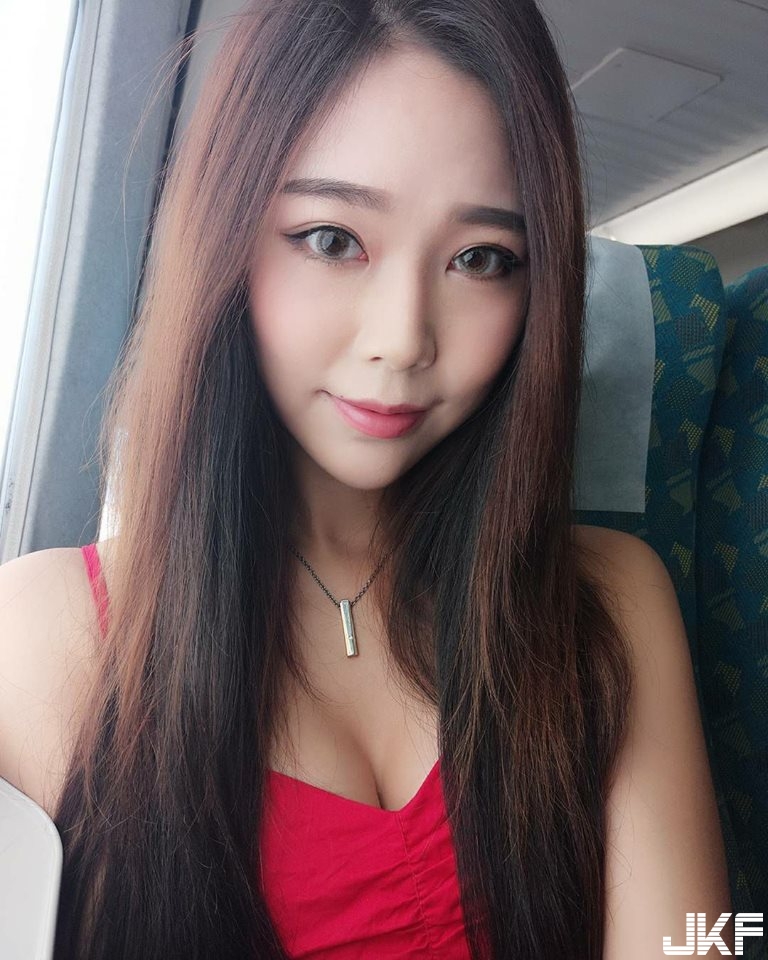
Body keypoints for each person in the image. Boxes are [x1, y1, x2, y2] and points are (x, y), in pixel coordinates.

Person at [0, 0, 734, 958]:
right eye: (332, 239)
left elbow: (696, 942)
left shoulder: (610, 599)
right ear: (223, 243)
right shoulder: (39, 639)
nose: (403, 339)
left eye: (482, 259)